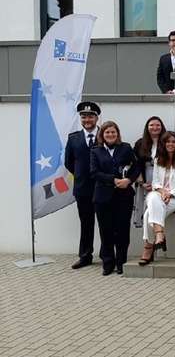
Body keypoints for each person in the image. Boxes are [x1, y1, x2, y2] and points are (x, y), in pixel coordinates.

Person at [89, 121, 138, 275]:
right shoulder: (95, 151)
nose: (110, 135)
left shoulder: (126, 148)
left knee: (122, 231)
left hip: (123, 197)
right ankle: (108, 262)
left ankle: (121, 262)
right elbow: (94, 172)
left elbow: (136, 167)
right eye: (107, 132)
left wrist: (129, 180)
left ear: (117, 134)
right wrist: (113, 180)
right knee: (106, 231)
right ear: (102, 135)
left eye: (113, 132)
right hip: (102, 198)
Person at [139, 132, 175, 266]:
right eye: (168, 142)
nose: (171, 144)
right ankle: (159, 234)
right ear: (163, 144)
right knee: (152, 196)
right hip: (159, 195)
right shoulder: (158, 160)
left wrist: (170, 194)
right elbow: (155, 182)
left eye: (174, 142)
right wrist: (162, 192)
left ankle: (148, 247)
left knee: (148, 214)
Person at [64, 101, 100, 269]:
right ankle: (85, 256)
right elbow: (69, 162)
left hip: (102, 187)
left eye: (90, 116)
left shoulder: (105, 134)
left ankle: (108, 256)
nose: (87, 120)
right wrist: (80, 175)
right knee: (86, 223)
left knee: (106, 223)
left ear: (96, 118)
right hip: (83, 188)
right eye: (84, 117)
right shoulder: (73, 138)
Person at [132, 116, 166, 228]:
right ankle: (146, 235)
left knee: (158, 208)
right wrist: (142, 182)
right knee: (145, 209)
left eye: (158, 125)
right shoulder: (140, 143)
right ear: (147, 127)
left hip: (162, 179)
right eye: (151, 125)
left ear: (162, 127)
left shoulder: (167, 141)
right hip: (144, 179)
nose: (155, 127)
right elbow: (134, 164)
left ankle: (158, 232)